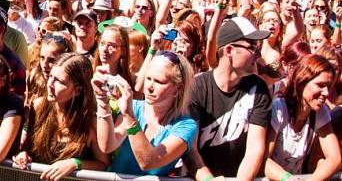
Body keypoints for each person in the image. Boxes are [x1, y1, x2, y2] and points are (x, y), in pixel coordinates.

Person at [185, 17, 272, 180]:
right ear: (229, 50)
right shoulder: (197, 87)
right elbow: (190, 149)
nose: (258, 54)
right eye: (252, 47)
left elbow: (255, 148)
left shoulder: (258, 88)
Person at [92, 50, 196, 176]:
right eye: (148, 78)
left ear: (178, 88)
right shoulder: (135, 107)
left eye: (159, 82)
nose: (149, 87)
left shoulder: (185, 126)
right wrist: (102, 99)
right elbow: (107, 146)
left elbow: (148, 162)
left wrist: (128, 115)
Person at [13, 53, 109, 180]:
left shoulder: (92, 122)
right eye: (50, 77)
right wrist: (23, 155)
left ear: (78, 90)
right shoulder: (38, 107)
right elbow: (28, 148)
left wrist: (75, 163)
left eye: (58, 81)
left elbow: (103, 164)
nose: (50, 84)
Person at [264, 54, 340, 180]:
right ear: (302, 81)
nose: (326, 92)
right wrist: (287, 178)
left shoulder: (320, 111)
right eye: (320, 85)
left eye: (329, 86)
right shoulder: (279, 109)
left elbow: (334, 158)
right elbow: (263, 160)